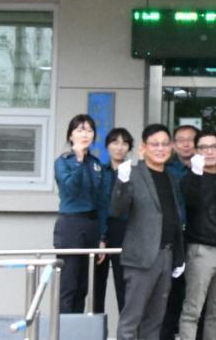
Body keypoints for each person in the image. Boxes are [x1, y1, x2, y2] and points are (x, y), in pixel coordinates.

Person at [111, 123, 185, 340]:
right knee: (131, 320)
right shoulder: (133, 174)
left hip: (166, 255)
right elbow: (117, 210)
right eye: (154, 144)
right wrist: (122, 182)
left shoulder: (170, 177)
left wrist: (179, 256)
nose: (160, 148)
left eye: (164, 144)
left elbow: (174, 217)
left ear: (171, 147)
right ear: (143, 148)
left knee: (155, 320)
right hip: (141, 258)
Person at [179, 129, 216, 340]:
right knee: (192, 310)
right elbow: (190, 202)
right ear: (196, 151)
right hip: (200, 250)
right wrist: (195, 173)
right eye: (204, 147)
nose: (210, 151)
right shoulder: (189, 178)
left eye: (214, 147)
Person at [53, 114, 105, 313]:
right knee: (69, 284)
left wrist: (102, 237)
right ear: (71, 135)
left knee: (83, 286)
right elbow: (70, 188)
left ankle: (76, 327)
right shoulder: (63, 161)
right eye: (80, 130)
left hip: (91, 226)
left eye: (89, 130)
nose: (85, 134)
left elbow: (101, 202)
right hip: (71, 225)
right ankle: (63, 328)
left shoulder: (96, 163)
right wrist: (78, 159)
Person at [161, 124, 197, 340]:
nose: (186, 144)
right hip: (175, 238)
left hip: (200, 238)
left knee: (194, 294)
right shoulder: (167, 169)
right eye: (180, 140)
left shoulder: (207, 166)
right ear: (173, 145)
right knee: (171, 292)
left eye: (190, 139)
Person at [94, 127, 134, 314]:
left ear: (129, 148)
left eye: (124, 143)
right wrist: (101, 235)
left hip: (124, 229)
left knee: (124, 283)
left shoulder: (134, 173)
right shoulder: (99, 171)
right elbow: (98, 204)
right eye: (115, 142)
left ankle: (125, 329)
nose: (119, 147)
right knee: (96, 283)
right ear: (107, 146)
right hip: (100, 227)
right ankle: (96, 327)